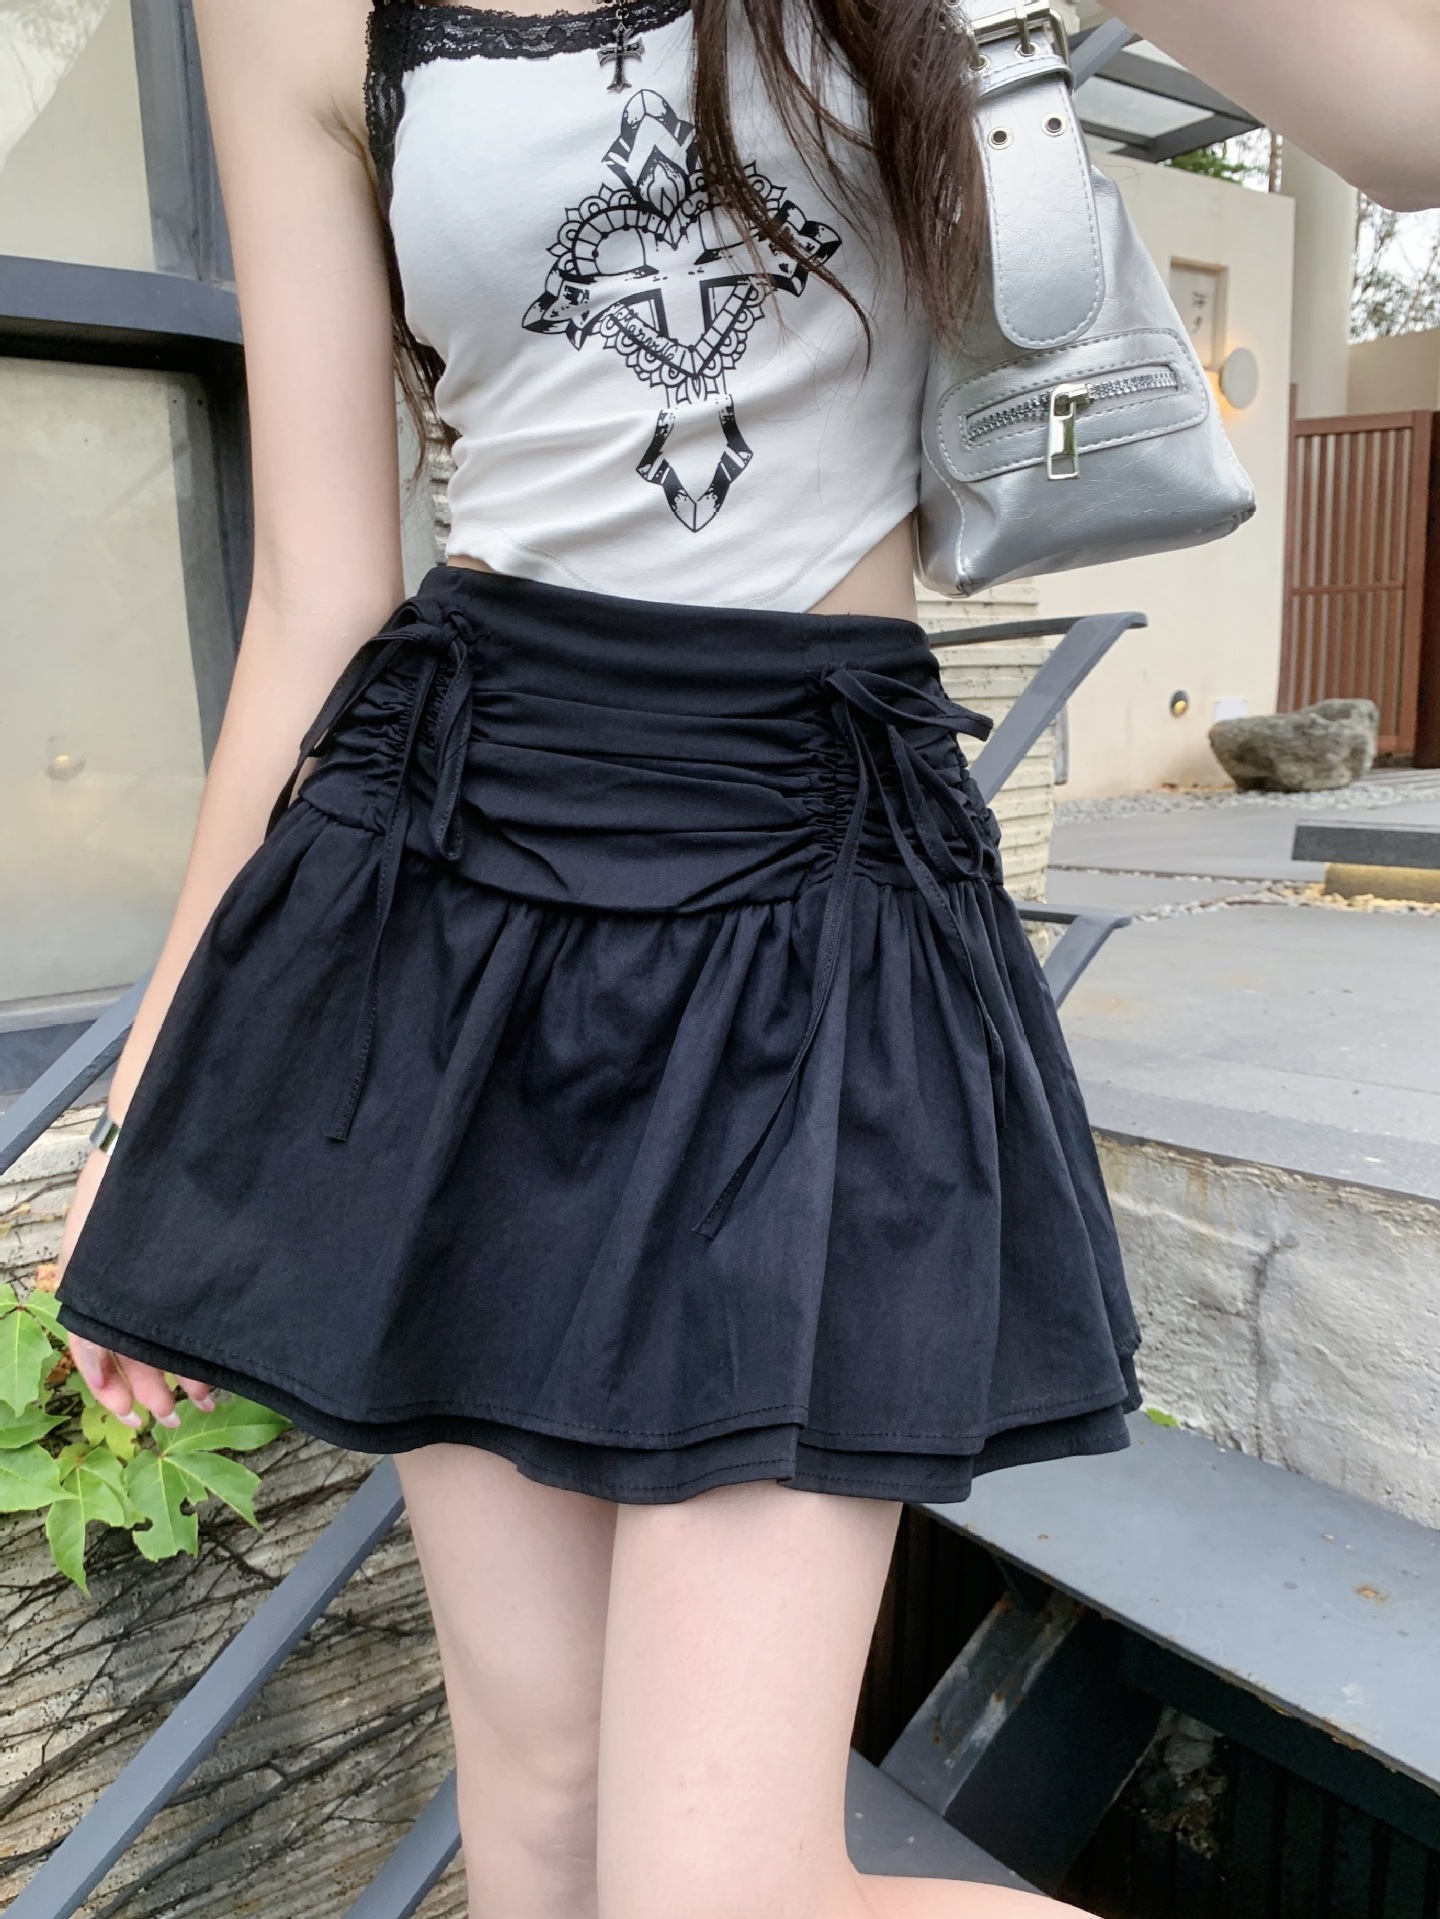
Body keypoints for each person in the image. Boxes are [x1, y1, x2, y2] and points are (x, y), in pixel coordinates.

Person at [53, 3, 1438, 1916]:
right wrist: (154, 1099)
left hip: (817, 893)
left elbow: (1409, 125)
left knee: (720, 1890)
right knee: (543, 1813)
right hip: (461, 904)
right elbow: (314, 595)